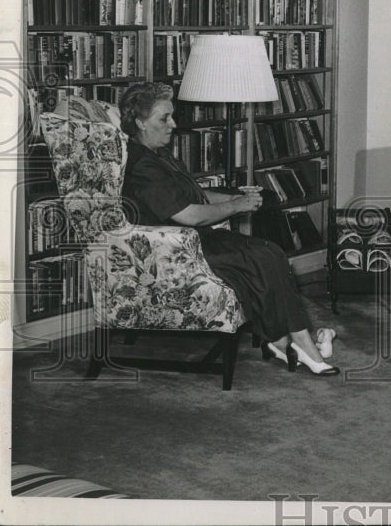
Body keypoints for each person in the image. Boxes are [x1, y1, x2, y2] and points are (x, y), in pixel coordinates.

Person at [119, 82, 339, 377]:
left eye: (172, 116)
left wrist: (239, 198)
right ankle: (300, 342)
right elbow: (191, 214)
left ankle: (284, 339)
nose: (173, 124)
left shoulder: (159, 155)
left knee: (266, 254)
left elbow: (195, 195)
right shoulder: (141, 165)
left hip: (192, 241)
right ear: (140, 122)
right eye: (164, 118)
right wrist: (237, 206)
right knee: (263, 255)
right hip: (174, 249)